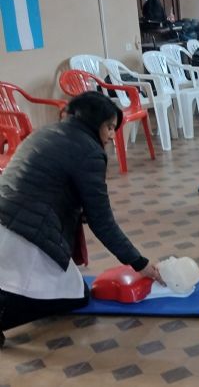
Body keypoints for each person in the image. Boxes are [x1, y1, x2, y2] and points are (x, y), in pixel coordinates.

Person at [0, 92, 163, 346]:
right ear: (94, 122)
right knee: (75, 297)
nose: (111, 135)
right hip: (25, 235)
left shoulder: (46, 132)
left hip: (7, 222)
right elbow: (103, 223)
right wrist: (139, 263)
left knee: (67, 288)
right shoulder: (88, 151)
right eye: (109, 127)